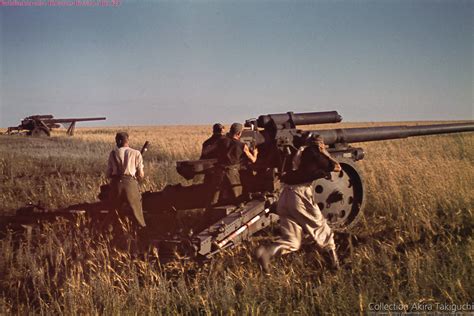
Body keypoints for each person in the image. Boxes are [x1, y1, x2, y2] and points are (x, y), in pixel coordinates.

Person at [256, 133, 341, 273]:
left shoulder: (296, 153)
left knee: (293, 241)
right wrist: (324, 152)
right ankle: (334, 268)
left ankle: (266, 252)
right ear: (319, 144)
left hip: (285, 196)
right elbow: (337, 167)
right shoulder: (314, 153)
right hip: (300, 195)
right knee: (321, 230)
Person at [105, 132, 146, 240]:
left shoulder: (113, 153)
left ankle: (109, 233)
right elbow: (141, 175)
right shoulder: (137, 153)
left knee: (113, 209)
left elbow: (108, 174)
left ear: (118, 141)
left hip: (116, 184)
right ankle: (141, 231)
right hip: (130, 184)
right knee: (137, 208)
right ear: (127, 140)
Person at [210, 122, 258, 205]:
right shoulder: (242, 145)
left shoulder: (221, 141)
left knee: (214, 197)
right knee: (237, 195)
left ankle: (209, 214)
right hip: (232, 172)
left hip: (219, 171)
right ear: (239, 133)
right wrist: (255, 153)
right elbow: (253, 160)